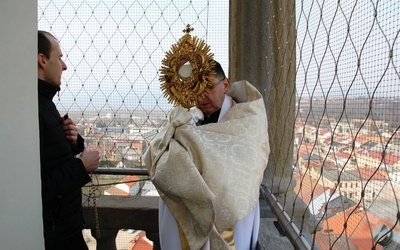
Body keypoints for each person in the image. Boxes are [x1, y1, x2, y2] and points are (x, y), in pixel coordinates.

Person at [144, 60, 270, 249]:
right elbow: (158, 156)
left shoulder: (247, 120)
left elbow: (250, 164)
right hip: (185, 210)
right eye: (195, 88)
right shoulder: (185, 120)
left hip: (233, 212)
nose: (202, 95)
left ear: (225, 85)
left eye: (208, 87)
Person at [38, 30, 100, 250]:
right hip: (56, 235)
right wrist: (81, 167)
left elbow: (48, 159)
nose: (64, 66)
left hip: (62, 228)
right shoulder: (34, 107)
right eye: (59, 57)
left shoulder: (42, 102)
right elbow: (31, 188)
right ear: (42, 60)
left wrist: (73, 142)